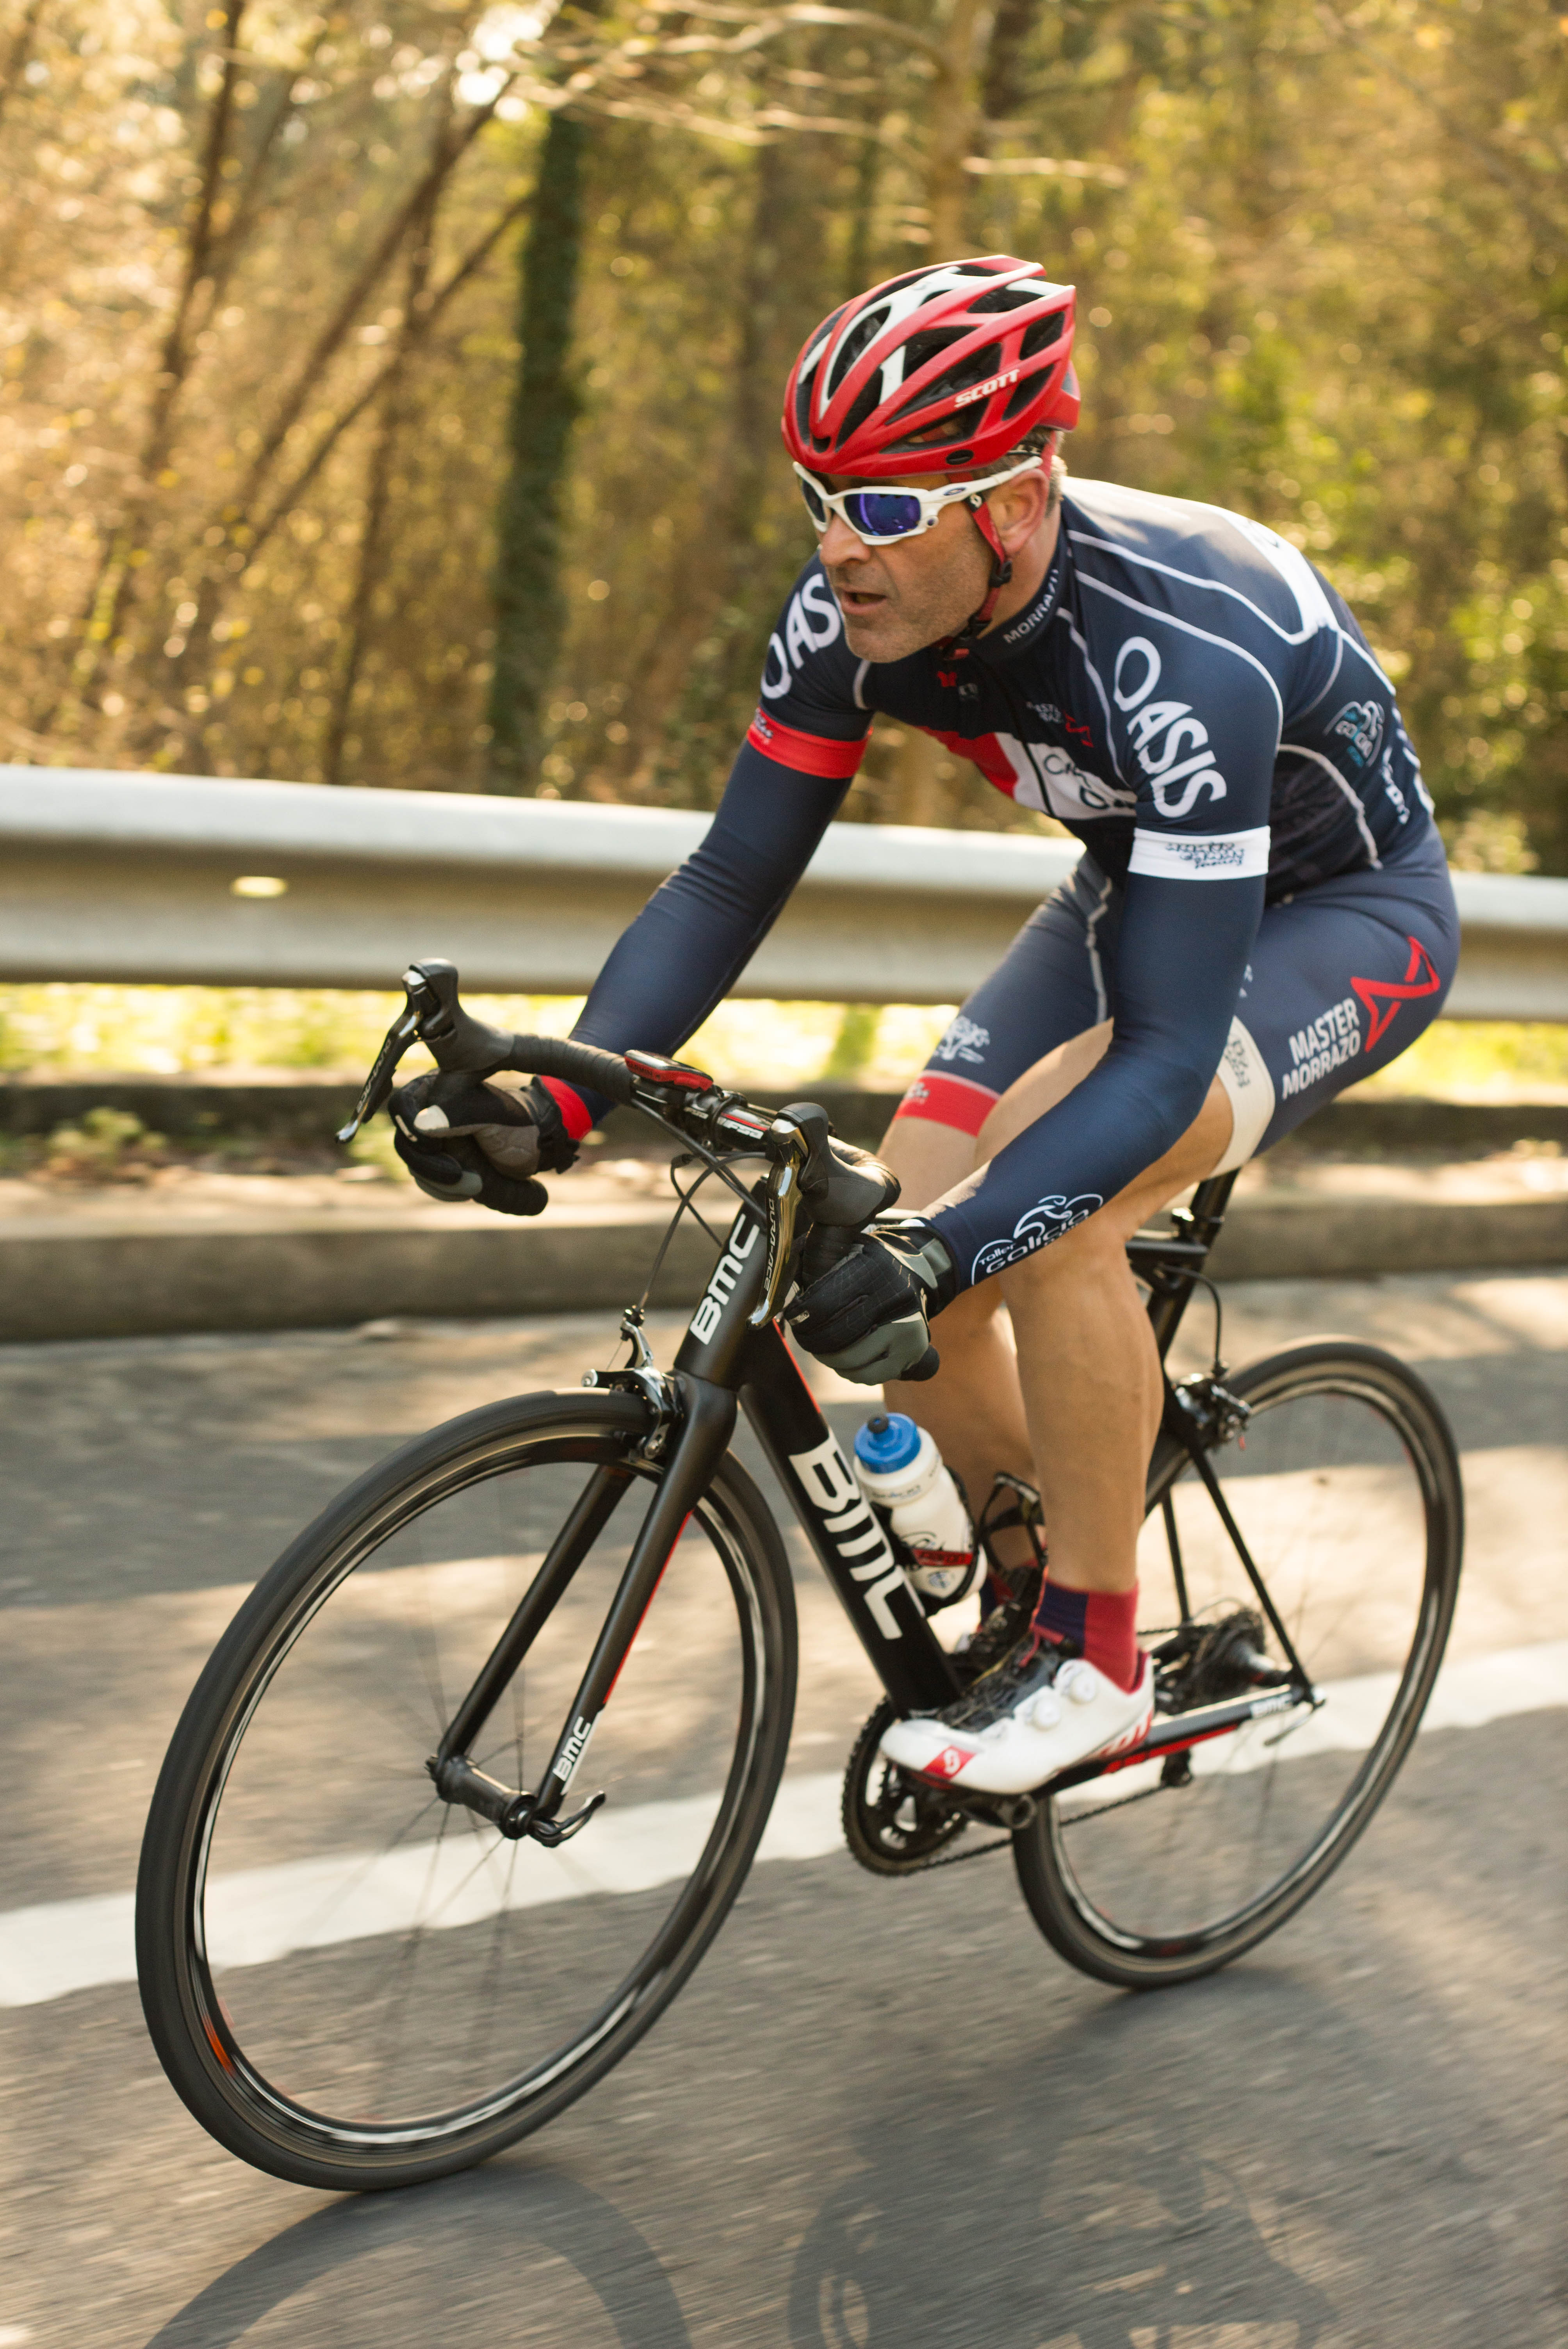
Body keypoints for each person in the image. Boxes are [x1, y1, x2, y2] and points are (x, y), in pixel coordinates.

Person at [392, 257, 1459, 1798]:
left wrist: (961, 1243)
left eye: (886, 508)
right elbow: (730, 878)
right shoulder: (856, 607)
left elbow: (1163, 1059)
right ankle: (1024, 1559)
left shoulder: (1181, 648)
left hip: (1345, 919)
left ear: (1013, 505)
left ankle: (1093, 1663)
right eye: (822, 499)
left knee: (1044, 1194)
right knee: (907, 1200)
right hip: (1137, 884)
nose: (840, 546)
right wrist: (561, 1100)